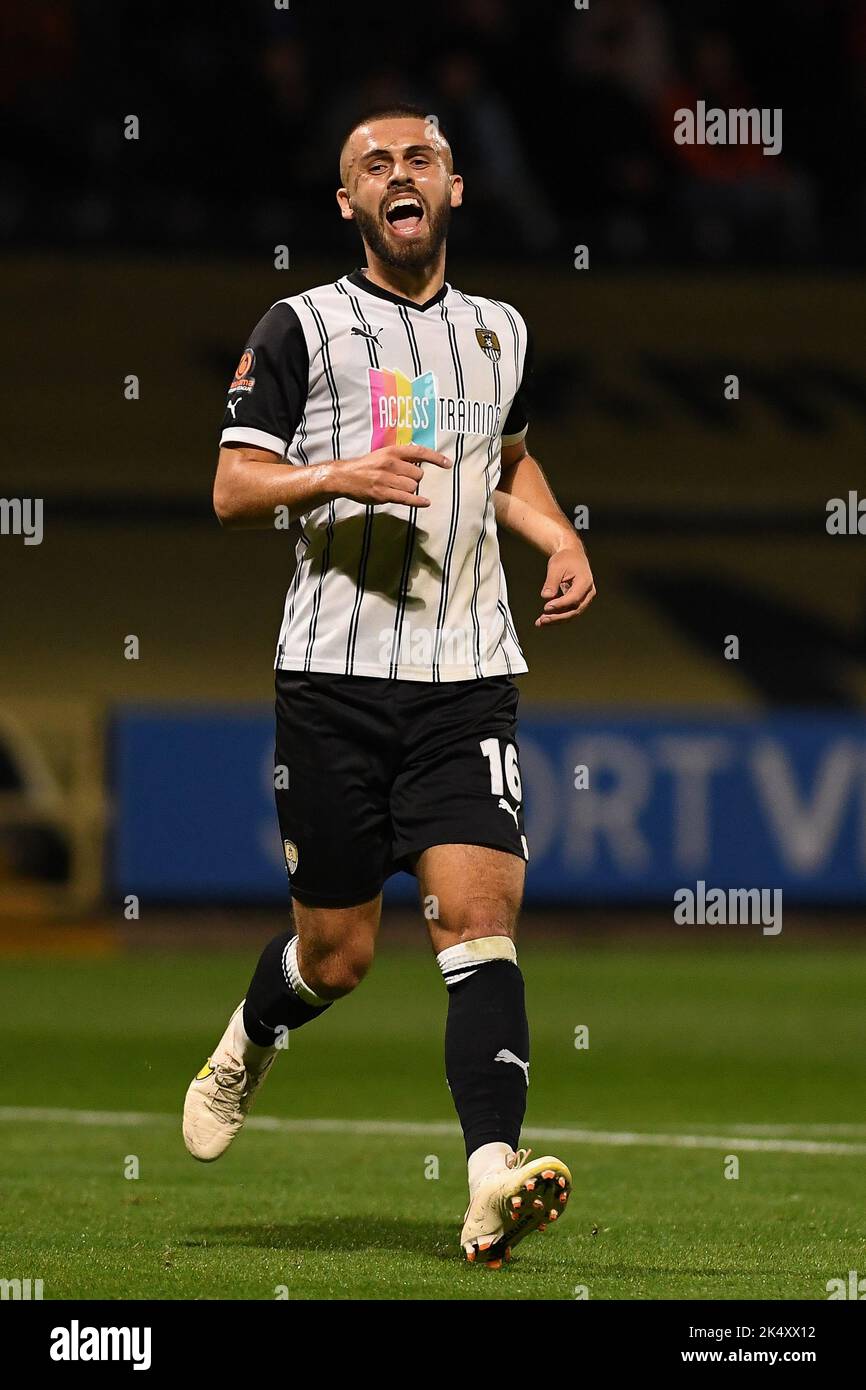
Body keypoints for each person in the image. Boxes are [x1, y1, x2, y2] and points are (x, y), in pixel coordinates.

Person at [183, 103, 596, 1267]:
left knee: (480, 925)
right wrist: (334, 475)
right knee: (339, 956)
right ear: (348, 203)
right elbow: (229, 487)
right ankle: (256, 1028)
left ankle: (488, 1183)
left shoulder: (499, 331)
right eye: (375, 164)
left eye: (420, 158)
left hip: (468, 679)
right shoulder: (302, 326)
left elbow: (503, 458)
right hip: (332, 682)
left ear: (455, 190)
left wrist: (555, 535)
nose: (399, 174)